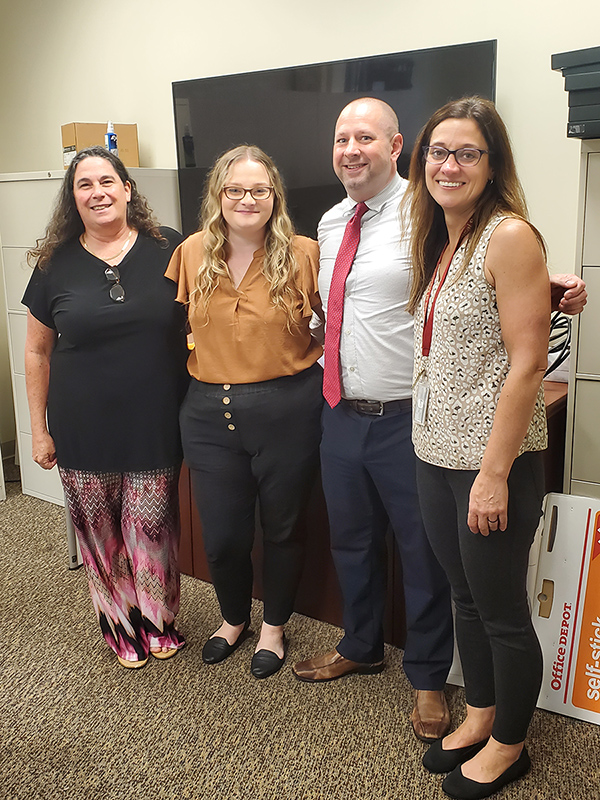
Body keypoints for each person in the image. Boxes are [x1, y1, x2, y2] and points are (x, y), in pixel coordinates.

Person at [292, 97, 587, 742]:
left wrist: (550, 294)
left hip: (416, 419)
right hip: (348, 410)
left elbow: (515, 328)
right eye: (341, 137)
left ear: (397, 146)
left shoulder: (431, 214)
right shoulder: (343, 220)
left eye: (365, 137)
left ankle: (431, 682)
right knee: (359, 544)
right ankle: (364, 644)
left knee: (436, 567)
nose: (351, 150)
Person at [406, 96, 549, 799]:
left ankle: (511, 747)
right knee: (464, 598)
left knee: (501, 613)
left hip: (490, 464)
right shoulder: (445, 236)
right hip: (435, 453)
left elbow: (527, 364)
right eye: (439, 151)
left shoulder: (509, 235)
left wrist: (494, 475)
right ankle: (485, 712)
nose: (449, 164)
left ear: (492, 165)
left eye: (467, 153)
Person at [23, 146, 189, 669]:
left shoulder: (172, 248)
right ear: (73, 198)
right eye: (84, 185)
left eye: (106, 181)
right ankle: (120, 627)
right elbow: (36, 351)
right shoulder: (55, 265)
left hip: (155, 420)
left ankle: (158, 621)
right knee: (98, 532)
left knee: (152, 527)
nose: (97, 192)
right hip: (82, 423)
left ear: (127, 189)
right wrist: (38, 430)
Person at [166, 145, 323, 679]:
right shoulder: (190, 252)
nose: (246, 199)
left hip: (287, 410)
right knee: (224, 534)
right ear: (218, 196)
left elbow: (342, 321)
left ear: (273, 196)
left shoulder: (306, 253)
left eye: (258, 189)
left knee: (282, 527)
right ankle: (233, 619)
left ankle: (274, 627)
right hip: (208, 413)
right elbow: (170, 328)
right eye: (234, 189)